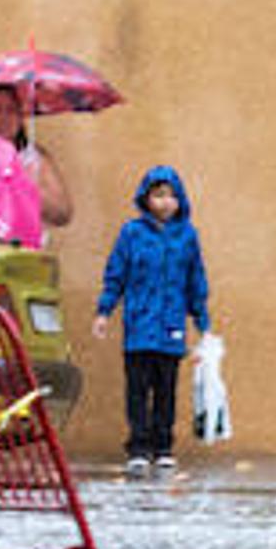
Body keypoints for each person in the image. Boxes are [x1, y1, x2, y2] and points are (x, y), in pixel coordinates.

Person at [92, 165, 211, 478]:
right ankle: (139, 448)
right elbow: (116, 274)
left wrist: (203, 323)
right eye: (159, 195)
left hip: (171, 328)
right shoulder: (131, 233)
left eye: (172, 196)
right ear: (146, 198)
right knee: (137, 389)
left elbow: (195, 280)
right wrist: (104, 312)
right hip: (138, 327)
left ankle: (163, 448)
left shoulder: (188, 236)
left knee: (166, 390)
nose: (165, 202)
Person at [0, 84, 75, 233]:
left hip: (23, 249)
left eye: (11, 110)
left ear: (20, 119)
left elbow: (63, 214)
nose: (3, 118)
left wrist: (28, 187)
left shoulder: (33, 158)